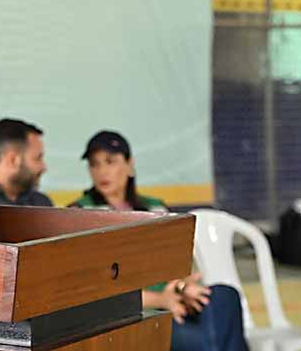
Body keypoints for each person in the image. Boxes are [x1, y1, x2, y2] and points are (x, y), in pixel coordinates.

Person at [70, 131, 250, 351]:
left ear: (129, 165)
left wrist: (184, 288)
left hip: (174, 301)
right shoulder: (80, 214)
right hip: (133, 315)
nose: (102, 171)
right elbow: (96, 292)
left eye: (110, 161)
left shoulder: (155, 208)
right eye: (94, 164)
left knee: (226, 296)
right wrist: (162, 300)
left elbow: (177, 264)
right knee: (211, 340)